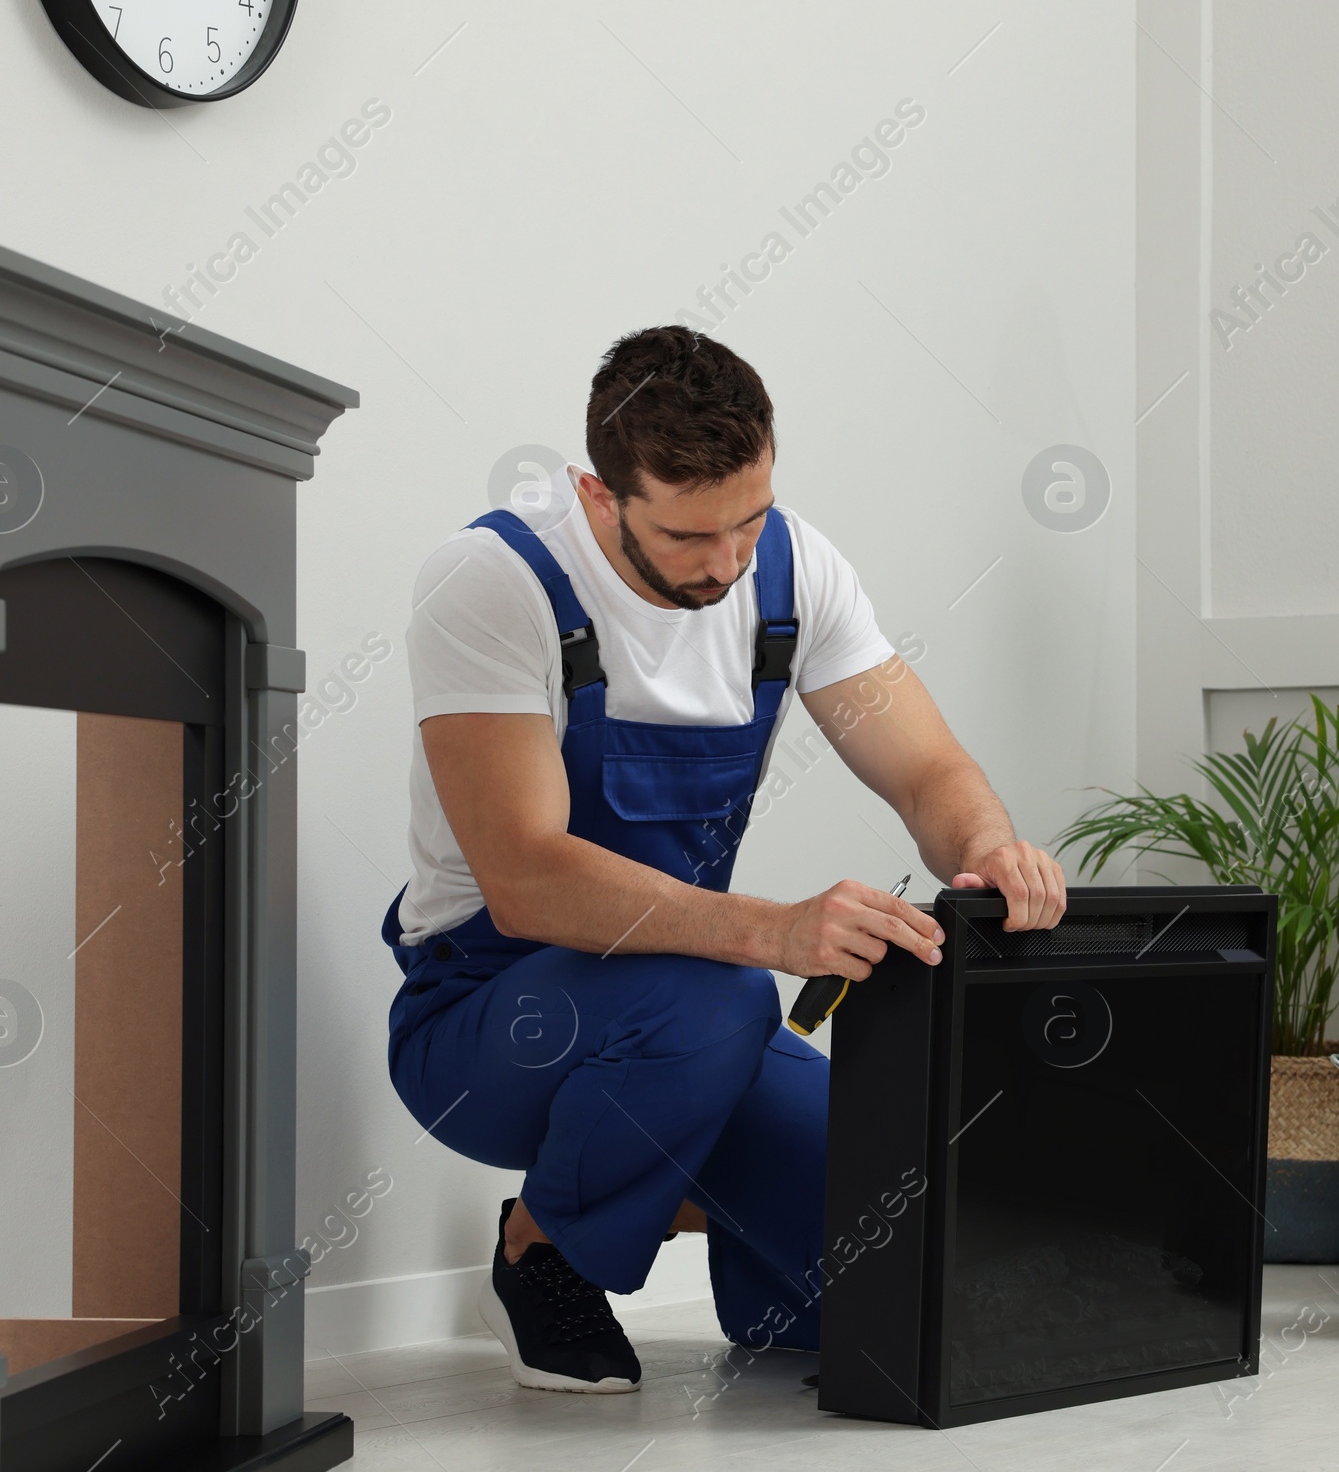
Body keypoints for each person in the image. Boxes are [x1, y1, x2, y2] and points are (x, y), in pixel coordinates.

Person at [383, 326, 1066, 1393]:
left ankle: (700, 1214)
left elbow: (925, 765)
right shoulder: (493, 580)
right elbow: (523, 876)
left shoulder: (793, 569)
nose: (731, 559)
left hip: (692, 1014)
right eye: (694, 534)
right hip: (486, 1026)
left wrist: (989, 846)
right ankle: (540, 1246)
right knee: (720, 992)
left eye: (749, 517)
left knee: (906, 1262)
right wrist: (774, 928)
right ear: (600, 495)